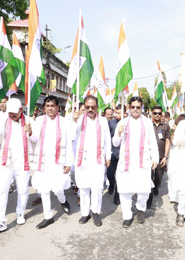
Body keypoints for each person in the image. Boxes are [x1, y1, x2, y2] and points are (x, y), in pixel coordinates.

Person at [0, 98, 32, 234]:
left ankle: (20, 213)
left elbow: (36, 141)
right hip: (5, 163)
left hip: (23, 163)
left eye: (14, 113)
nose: (11, 115)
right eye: (9, 112)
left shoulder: (29, 121)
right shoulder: (3, 120)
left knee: (23, 190)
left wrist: (30, 132)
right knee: (0, 191)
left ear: (21, 110)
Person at [112, 97, 159, 228]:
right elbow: (115, 143)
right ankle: (127, 216)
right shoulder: (123, 122)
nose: (135, 109)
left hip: (143, 161)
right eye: (133, 107)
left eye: (138, 107)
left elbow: (152, 142)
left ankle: (140, 208)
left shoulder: (148, 122)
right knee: (124, 190)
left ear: (141, 107)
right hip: (126, 162)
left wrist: (155, 158)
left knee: (144, 189)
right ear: (129, 107)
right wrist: (119, 133)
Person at [29, 96, 73, 229]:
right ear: (44, 108)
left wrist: (69, 162)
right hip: (43, 160)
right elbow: (35, 139)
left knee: (58, 188)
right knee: (44, 188)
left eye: (52, 106)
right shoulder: (40, 120)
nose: (50, 109)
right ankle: (48, 217)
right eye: (47, 106)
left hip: (59, 160)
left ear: (58, 107)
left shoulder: (65, 122)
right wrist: (30, 132)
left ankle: (63, 200)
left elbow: (69, 143)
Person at [71, 96, 111, 226]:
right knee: (83, 188)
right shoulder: (79, 119)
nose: (89, 109)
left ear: (97, 107)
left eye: (92, 107)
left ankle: (95, 212)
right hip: (82, 159)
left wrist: (108, 156)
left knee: (98, 188)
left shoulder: (103, 121)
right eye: (87, 107)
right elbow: (71, 136)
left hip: (98, 159)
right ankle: (85, 213)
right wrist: (74, 121)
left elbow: (107, 140)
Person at [148, 105, 171, 209]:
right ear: (152, 114)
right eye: (155, 113)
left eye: (159, 113)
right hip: (149, 157)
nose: (157, 115)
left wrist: (166, 157)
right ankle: (149, 199)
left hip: (161, 157)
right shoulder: (148, 125)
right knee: (148, 178)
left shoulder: (166, 126)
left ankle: (156, 185)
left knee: (158, 177)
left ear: (162, 114)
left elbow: (167, 141)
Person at [168, 114, 185, 205]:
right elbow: (173, 141)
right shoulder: (174, 131)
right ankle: (172, 196)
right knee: (172, 174)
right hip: (174, 154)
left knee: (180, 175)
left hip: (184, 155)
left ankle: (179, 196)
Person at [107, 105, 122, 205]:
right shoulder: (111, 123)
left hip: (123, 154)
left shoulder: (126, 123)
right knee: (110, 173)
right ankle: (111, 184)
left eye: (119, 113)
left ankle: (117, 196)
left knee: (120, 176)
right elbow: (107, 138)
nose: (117, 115)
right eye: (116, 112)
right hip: (113, 152)